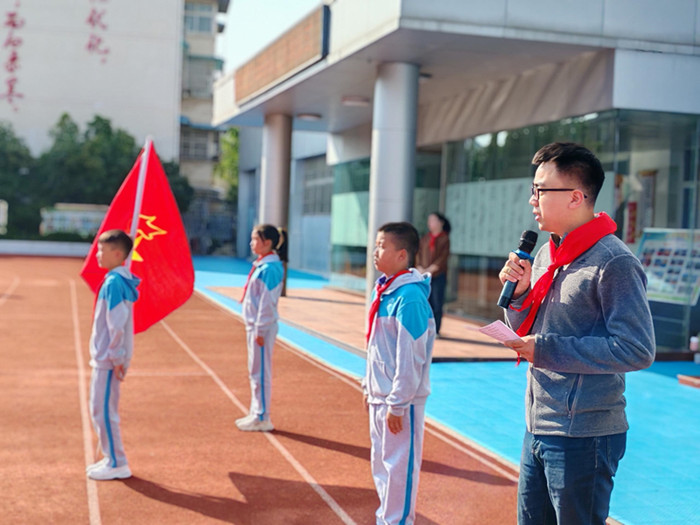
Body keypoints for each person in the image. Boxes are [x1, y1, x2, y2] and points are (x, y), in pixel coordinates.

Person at [498, 142, 655, 525]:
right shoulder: (546, 254)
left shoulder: (614, 262)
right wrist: (517, 297)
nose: (532, 200)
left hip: (584, 435)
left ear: (575, 197)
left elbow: (637, 349)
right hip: (538, 424)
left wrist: (546, 350)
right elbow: (527, 330)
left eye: (540, 190)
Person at [362, 221, 435, 525]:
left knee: (399, 468)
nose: (375, 251)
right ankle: (386, 519)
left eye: (382, 246)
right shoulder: (385, 291)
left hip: (400, 402)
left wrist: (398, 402)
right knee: (382, 465)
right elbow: (379, 347)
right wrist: (368, 385)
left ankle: (398, 521)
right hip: (380, 395)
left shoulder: (409, 298)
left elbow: (410, 357)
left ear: (402, 255)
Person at [86, 229, 140, 481]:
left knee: (104, 411)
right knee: (99, 409)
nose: (97, 254)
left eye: (101, 250)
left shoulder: (114, 283)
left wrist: (117, 358)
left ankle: (118, 462)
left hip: (108, 360)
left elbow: (116, 324)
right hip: (106, 358)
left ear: (117, 254)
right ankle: (111, 458)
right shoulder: (116, 281)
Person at [236, 224, 286, 432]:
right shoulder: (262, 266)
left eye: (255, 239)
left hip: (261, 329)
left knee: (261, 372)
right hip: (255, 326)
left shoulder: (270, 269)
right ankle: (256, 411)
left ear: (267, 242)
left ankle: (263, 416)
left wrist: (260, 330)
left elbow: (267, 302)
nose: (251, 243)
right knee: (254, 371)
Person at [416, 212, 450, 336]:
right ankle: (425, 329)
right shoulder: (425, 238)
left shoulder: (444, 238)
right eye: (429, 220)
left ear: (440, 222)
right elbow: (418, 254)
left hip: (438, 275)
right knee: (425, 302)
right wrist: (419, 267)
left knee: (437, 303)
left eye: (433, 220)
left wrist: (431, 269)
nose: (430, 223)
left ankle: (435, 330)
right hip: (424, 276)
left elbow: (443, 257)